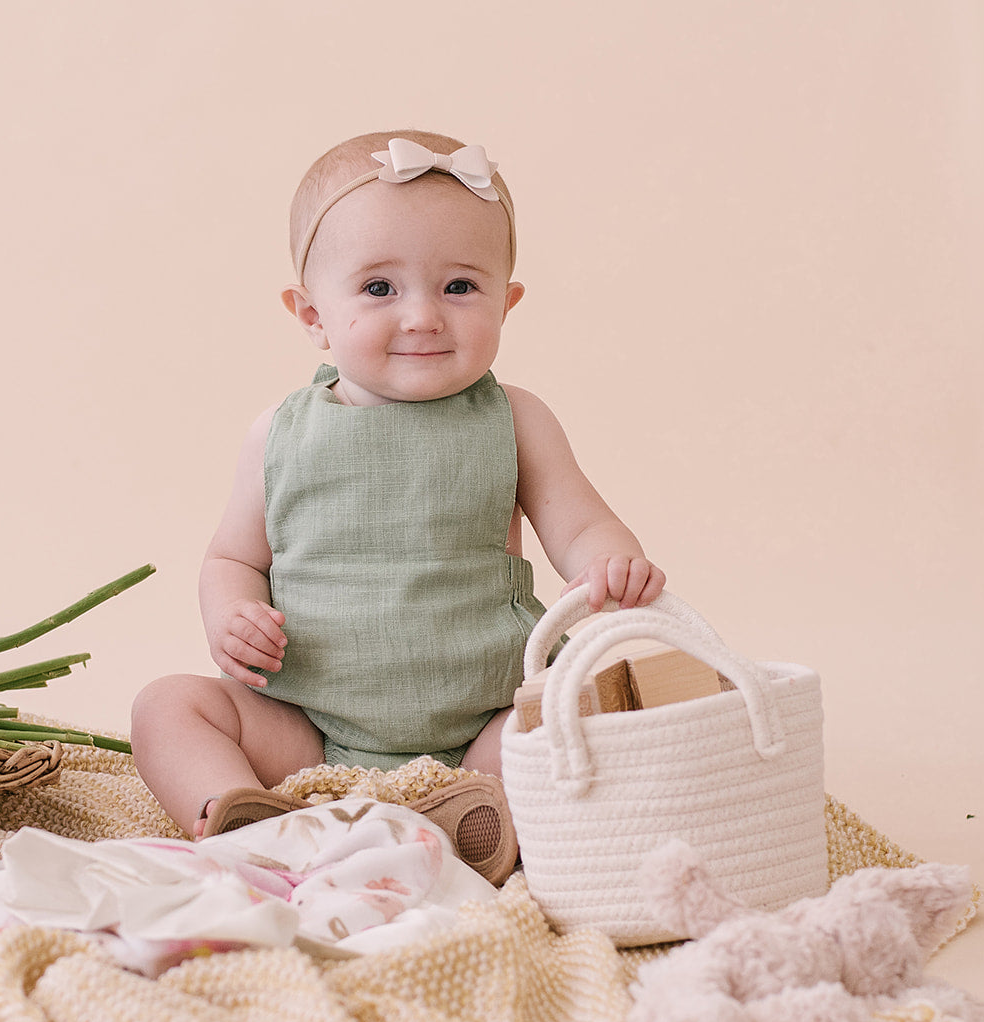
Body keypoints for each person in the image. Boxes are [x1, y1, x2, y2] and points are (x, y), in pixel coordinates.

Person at [131, 130, 664, 883]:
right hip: (307, 727)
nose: (422, 316)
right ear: (311, 313)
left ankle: (472, 817)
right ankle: (248, 819)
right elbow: (232, 558)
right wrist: (231, 617)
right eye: (380, 289)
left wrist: (609, 565)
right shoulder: (279, 435)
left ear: (507, 303)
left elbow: (577, 523)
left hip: (484, 718)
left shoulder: (515, 419)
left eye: (459, 287)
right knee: (167, 707)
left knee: (573, 708)